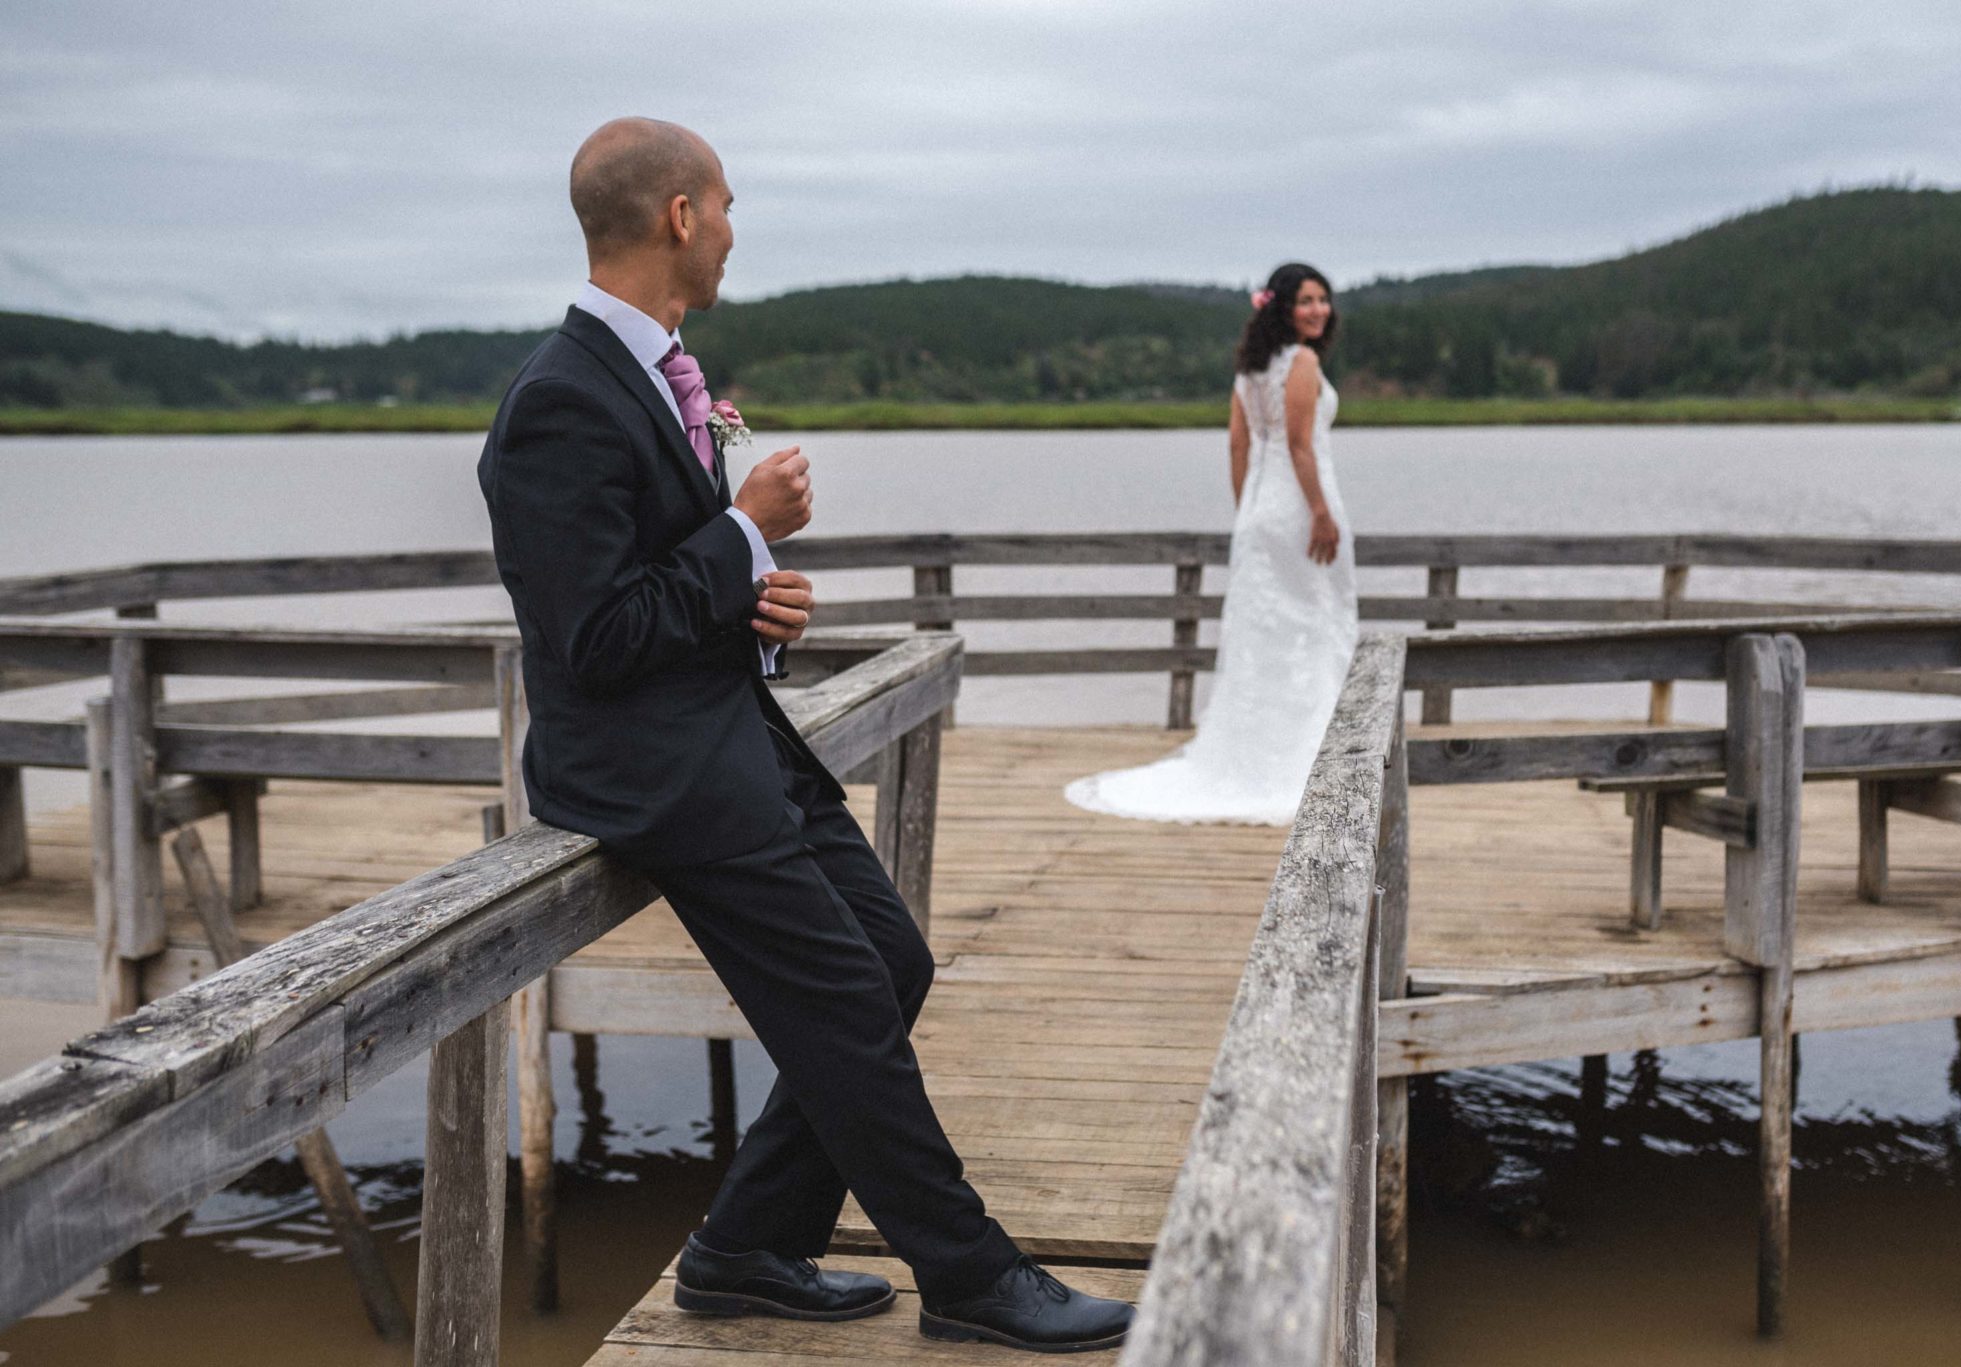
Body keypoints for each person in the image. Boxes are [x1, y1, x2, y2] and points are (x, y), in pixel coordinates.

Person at [477, 117, 1133, 1354]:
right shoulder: (559, 400)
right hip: (650, 773)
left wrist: (753, 603)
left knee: (891, 964)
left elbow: (654, 593)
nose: (731, 233)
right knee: (840, 995)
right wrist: (739, 530)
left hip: (731, 732)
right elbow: (590, 643)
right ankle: (972, 1274)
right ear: (679, 215)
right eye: (724, 208)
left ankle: (741, 1249)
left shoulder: (655, 371)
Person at [1066, 263, 1357, 825]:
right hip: (1297, 507)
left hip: (1260, 509)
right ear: (1281, 308)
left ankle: (1266, 757)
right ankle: (1311, 762)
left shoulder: (1250, 369)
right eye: (1306, 300)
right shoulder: (1302, 362)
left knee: (1269, 631)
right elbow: (1299, 446)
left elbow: (1237, 446)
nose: (1319, 309)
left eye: (1323, 299)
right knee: (1313, 626)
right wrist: (1319, 512)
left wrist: (1247, 512)